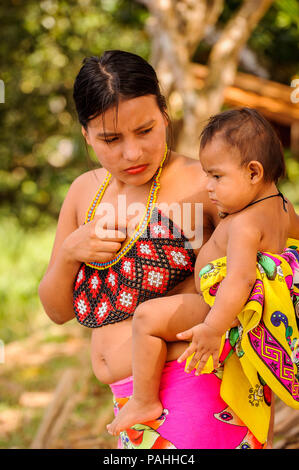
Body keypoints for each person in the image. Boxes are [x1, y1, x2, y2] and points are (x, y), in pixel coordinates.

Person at [106, 108, 299, 445]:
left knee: (148, 317)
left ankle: (144, 400)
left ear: (254, 172)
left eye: (216, 176)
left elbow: (240, 280)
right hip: (239, 311)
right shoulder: (284, 207)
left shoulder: (243, 224)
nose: (207, 186)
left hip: (223, 309)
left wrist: (213, 329)